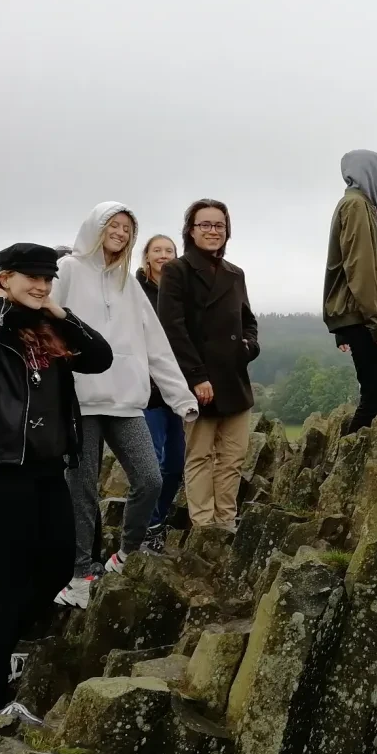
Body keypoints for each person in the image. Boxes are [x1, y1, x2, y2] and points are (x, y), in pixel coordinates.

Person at [0, 243, 113, 723]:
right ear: (5, 277)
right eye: (31, 278)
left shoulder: (48, 324)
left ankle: (0, 650)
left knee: (58, 565)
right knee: (7, 584)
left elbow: (100, 357)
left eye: (47, 279)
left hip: (45, 468)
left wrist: (59, 312)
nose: (41, 286)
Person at [51, 203, 197, 608]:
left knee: (150, 479)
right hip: (79, 401)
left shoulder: (128, 285)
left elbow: (156, 344)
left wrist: (180, 397)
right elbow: (45, 324)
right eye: (112, 225)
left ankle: (126, 553)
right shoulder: (68, 270)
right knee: (82, 491)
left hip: (125, 402)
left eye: (126, 228)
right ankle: (80, 576)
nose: (119, 233)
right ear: (96, 227)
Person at [156, 201, 260, 530]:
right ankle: (202, 526)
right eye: (206, 225)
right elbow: (172, 328)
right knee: (199, 456)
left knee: (233, 457)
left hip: (234, 379)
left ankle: (225, 522)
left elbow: (248, 320)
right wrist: (197, 377)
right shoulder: (177, 271)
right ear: (191, 230)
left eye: (219, 225)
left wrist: (249, 347)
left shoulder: (235, 273)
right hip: (199, 381)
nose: (213, 231)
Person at [324, 150, 377, 436]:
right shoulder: (356, 206)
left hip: (360, 315)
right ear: (370, 174)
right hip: (363, 316)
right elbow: (362, 269)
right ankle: (346, 459)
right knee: (374, 400)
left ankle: (349, 457)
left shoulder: (362, 206)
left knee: (376, 397)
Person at [136, 235, 185, 550]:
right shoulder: (134, 290)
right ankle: (146, 528)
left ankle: (158, 518)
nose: (164, 255)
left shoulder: (183, 291)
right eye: (157, 250)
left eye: (169, 250)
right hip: (147, 391)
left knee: (176, 464)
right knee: (150, 464)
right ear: (146, 256)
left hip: (178, 390)